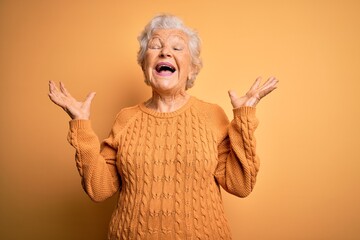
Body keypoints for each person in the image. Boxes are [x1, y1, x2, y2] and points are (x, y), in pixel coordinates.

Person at [48, 14, 278, 240]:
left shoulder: (212, 115)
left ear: (192, 68)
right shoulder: (125, 119)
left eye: (177, 48)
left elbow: (241, 185)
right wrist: (81, 126)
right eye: (155, 46)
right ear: (144, 64)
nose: (165, 52)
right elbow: (99, 189)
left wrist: (243, 120)